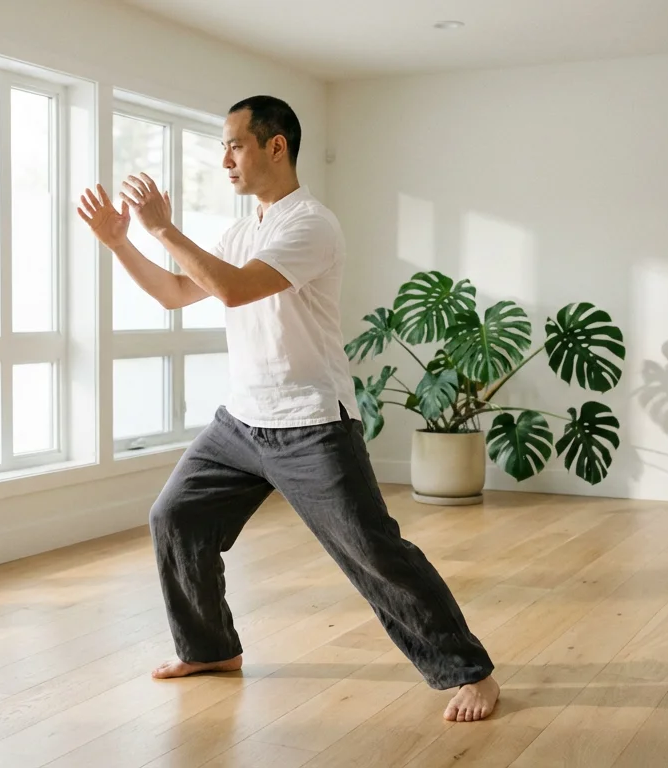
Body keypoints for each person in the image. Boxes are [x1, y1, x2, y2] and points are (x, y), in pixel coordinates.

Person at [76, 95, 499, 722]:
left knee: (372, 551)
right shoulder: (240, 229)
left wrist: (163, 228)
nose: (224, 159)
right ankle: (210, 649)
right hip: (241, 423)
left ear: (276, 146)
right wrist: (120, 243)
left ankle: (470, 672)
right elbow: (173, 294)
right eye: (222, 146)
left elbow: (236, 290)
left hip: (311, 425)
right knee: (177, 518)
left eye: (235, 144)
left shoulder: (313, 224)